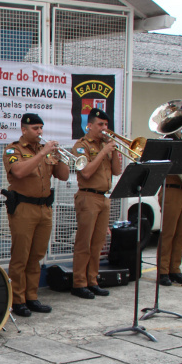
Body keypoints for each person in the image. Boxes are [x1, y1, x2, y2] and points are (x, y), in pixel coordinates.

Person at [2, 113, 70, 317]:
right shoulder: (13, 149)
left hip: (44, 208)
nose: (40, 132)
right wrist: (42, 155)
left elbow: (64, 176)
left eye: (41, 128)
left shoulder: (45, 150)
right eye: (35, 128)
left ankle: (32, 297)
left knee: (37, 255)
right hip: (24, 207)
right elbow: (19, 172)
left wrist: (59, 157)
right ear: (24, 129)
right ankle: (17, 299)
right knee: (21, 255)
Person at [69, 109, 121, 299]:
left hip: (104, 197)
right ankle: (79, 283)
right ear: (89, 126)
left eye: (106, 125)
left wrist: (113, 151)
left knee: (98, 243)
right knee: (84, 242)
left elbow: (117, 171)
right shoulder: (81, 146)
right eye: (100, 125)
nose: (104, 129)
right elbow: (86, 173)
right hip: (88, 197)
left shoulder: (105, 145)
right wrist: (103, 152)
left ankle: (93, 280)